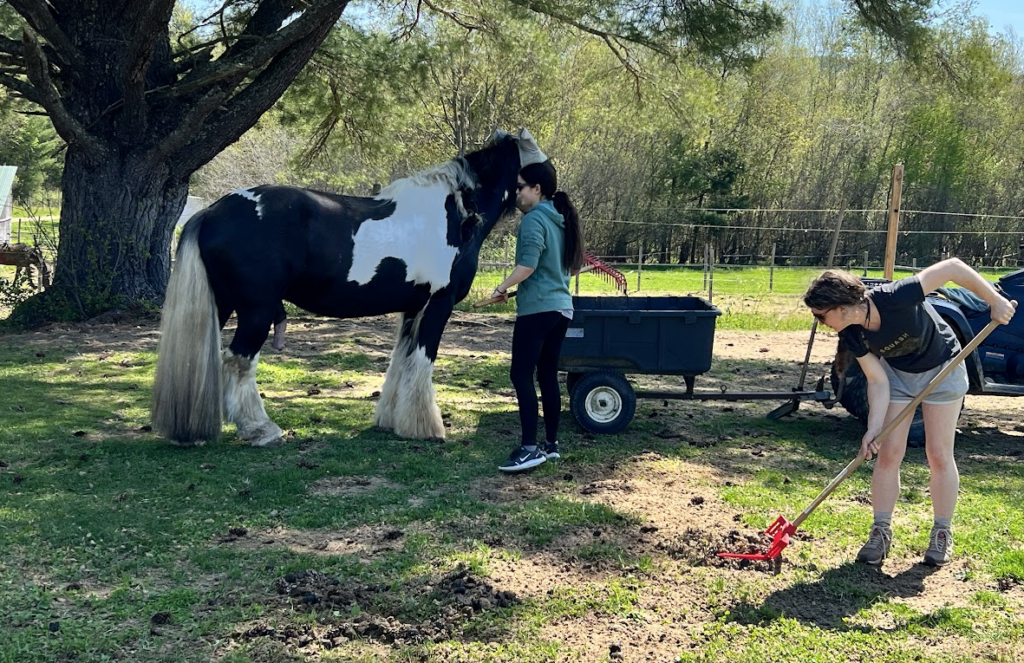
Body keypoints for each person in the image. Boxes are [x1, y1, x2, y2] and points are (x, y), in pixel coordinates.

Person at [803, 259, 1015, 566]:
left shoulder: (895, 297)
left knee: (938, 453)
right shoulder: (853, 334)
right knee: (888, 452)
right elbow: (877, 381)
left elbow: (952, 267)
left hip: (944, 368)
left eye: (821, 316)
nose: (821, 322)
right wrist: (873, 429)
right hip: (898, 378)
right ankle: (880, 531)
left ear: (841, 306)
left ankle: (942, 533)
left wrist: (994, 300)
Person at [491, 159, 585, 473]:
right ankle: (551, 445)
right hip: (561, 308)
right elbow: (559, 269)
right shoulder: (561, 218)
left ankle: (530, 448)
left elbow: (527, 266)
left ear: (537, 189)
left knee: (520, 375)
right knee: (546, 375)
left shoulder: (533, 220)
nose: (516, 194)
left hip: (538, 311)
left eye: (520, 187)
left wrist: (501, 286)